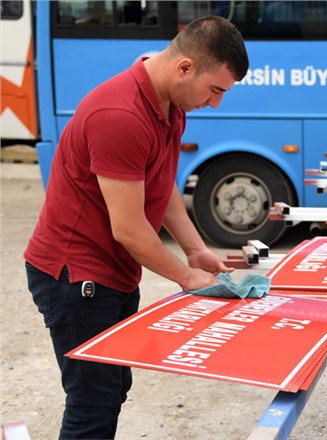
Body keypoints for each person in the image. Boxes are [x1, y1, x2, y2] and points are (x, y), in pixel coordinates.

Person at [23, 15, 249, 439]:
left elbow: (159, 190)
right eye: (215, 90)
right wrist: (185, 277)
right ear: (185, 67)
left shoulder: (171, 103)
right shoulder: (120, 114)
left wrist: (195, 249)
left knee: (112, 389)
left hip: (113, 273)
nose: (216, 103)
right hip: (76, 275)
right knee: (93, 401)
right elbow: (128, 229)